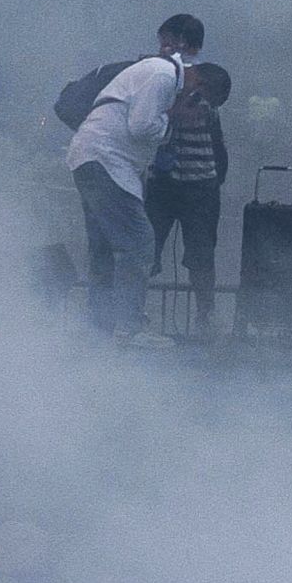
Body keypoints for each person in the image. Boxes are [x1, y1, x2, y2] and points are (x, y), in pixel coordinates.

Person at [64, 21, 208, 344]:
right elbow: (141, 126)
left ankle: (98, 329)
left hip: (91, 156)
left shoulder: (158, 74)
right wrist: (172, 119)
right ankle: (130, 326)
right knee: (140, 242)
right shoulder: (163, 75)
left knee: (103, 246)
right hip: (105, 159)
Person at [147, 62, 231, 338]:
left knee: (201, 255)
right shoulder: (168, 92)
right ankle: (132, 311)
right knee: (147, 247)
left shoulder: (206, 107)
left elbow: (218, 147)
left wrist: (215, 181)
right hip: (165, 185)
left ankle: (205, 316)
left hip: (200, 188)